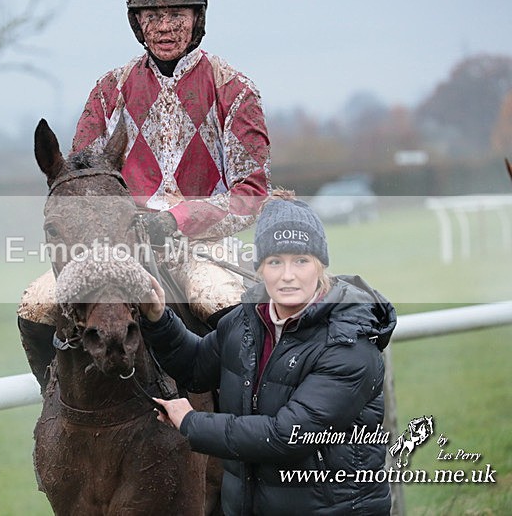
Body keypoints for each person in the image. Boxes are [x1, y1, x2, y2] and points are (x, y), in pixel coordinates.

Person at [18, 0, 271, 390]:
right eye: (152, 16)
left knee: (221, 302)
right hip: (117, 246)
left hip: (199, 246)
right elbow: (84, 183)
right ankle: (55, 397)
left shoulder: (234, 89)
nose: (165, 27)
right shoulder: (109, 90)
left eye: (177, 16)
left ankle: (247, 433)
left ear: (197, 19)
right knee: (36, 305)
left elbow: (251, 193)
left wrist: (176, 220)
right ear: (137, 22)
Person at [139, 193, 396, 515]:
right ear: (259, 267)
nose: (288, 275)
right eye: (275, 261)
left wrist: (191, 422)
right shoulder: (245, 320)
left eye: (300, 260)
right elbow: (195, 368)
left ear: (320, 266)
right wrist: (159, 319)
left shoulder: (349, 345)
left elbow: (286, 437)